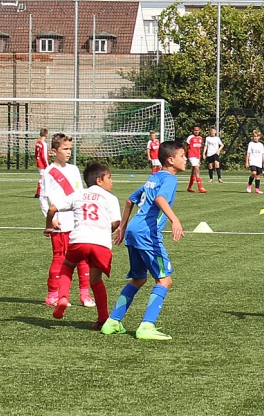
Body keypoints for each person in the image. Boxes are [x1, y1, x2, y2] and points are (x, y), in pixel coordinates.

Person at [104, 140, 187, 340]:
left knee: (139, 278)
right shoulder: (169, 179)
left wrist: (123, 227)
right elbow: (160, 199)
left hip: (133, 230)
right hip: (147, 234)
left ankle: (112, 321)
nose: (186, 160)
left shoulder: (154, 176)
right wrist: (175, 220)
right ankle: (147, 326)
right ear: (170, 159)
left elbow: (129, 200)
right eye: (182, 156)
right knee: (165, 279)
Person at [44, 161, 121, 329]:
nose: (112, 181)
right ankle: (102, 319)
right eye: (109, 177)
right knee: (96, 281)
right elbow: (116, 223)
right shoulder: (111, 198)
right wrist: (105, 231)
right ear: (99, 180)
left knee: (67, 266)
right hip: (101, 244)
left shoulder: (78, 194)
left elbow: (52, 209)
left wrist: (49, 226)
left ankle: (63, 297)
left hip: (79, 240)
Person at [40, 134, 94, 308]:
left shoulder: (73, 169)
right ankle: (52, 294)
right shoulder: (49, 172)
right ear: (54, 151)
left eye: (70, 149)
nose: (68, 152)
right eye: (65, 149)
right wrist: (51, 219)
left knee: (83, 257)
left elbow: (79, 193)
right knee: (60, 258)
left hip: (77, 221)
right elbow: (43, 198)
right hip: (60, 222)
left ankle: (84, 294)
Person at [185, 125, 206, 193]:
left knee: (193, 172)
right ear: (193, 131)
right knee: (197, 169)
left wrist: (199, 159)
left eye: (197, 130)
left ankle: (189, 187)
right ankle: (200, 187)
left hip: (197, 157)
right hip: (191, 155)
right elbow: (185, 147)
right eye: (195, 130)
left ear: (199, 131)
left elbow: (199, 149)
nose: (196, 131)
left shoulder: (200, 138)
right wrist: (185, 155)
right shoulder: (190, 137)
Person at [245, 130, 264, 194]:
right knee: (254, 173)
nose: (255, 138)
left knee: (258, 176)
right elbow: (248, 153)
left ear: (259, 137)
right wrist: (247, 162)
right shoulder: (251, 144)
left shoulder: (261, 145)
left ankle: (257, 189)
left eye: (257, 136)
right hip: (253, 161)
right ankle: (249, 185)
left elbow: (263, 154)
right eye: (254, 136)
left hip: (259, 162)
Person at [34, 128, 49, 198]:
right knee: (44, 177)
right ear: (46, 134)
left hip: (38, 162)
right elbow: (44, 156)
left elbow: (36, 153)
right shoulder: (44, 144)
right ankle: (39, 193)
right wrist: (47, 165)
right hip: (43, 163)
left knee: (42, 177)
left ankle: (39, 192)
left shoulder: (38, 143)